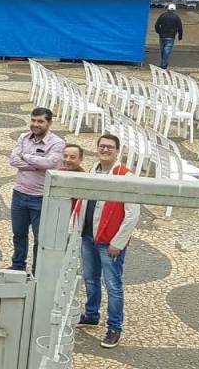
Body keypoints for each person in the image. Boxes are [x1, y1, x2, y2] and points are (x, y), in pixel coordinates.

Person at [76, 134, 139, 349]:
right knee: (90, 279)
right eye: (102, 146)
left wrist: (118, 242)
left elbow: (132, 213)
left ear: (117, 151)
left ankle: (114, 327)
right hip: (88, 236)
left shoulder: (125, 176)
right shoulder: (93, 171)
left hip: (109, 241)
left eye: (110, 147)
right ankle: (91, 314)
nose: (105, 150)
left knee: (113, 285)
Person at [9, 107, 66, 272]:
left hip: (41, 196)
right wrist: (36, 164)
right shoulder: (23, 137)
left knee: (40, 238)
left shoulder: (57, 143)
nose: (35, 124)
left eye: (40, 121)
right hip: (20, 193)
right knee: (19, 234)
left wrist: (25, 157)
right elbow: (13, 160)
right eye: (33, 120)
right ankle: (18, 265)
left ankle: (37, 270)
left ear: (49, 123)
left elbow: (49, 163)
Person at [154, 3, 183, 69]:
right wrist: (180, 36)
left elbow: (156, 25)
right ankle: (164, 65)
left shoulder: (162, 15)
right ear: (174, 10)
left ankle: (163, 63)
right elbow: (180, 27)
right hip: (171, 37)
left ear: (168, 9)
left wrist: (159, 32)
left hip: (162, 36)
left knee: (163, 51)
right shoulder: (176, 17)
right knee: (167, 52)